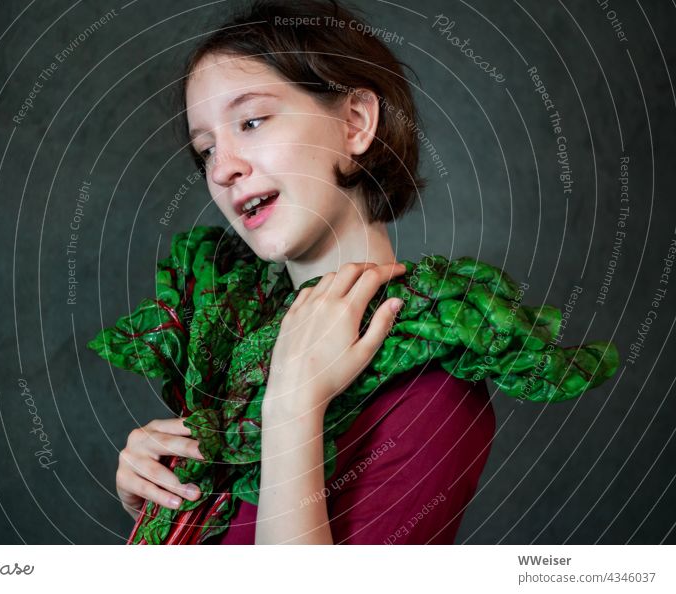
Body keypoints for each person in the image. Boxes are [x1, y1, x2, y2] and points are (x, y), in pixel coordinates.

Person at [115, 0, 496, 544]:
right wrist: (170, 517)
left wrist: (293, 409)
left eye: (252, 121)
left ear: (355, 122)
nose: (222, 169)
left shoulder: (430, 394)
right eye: (205, 152)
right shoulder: (238, 358)